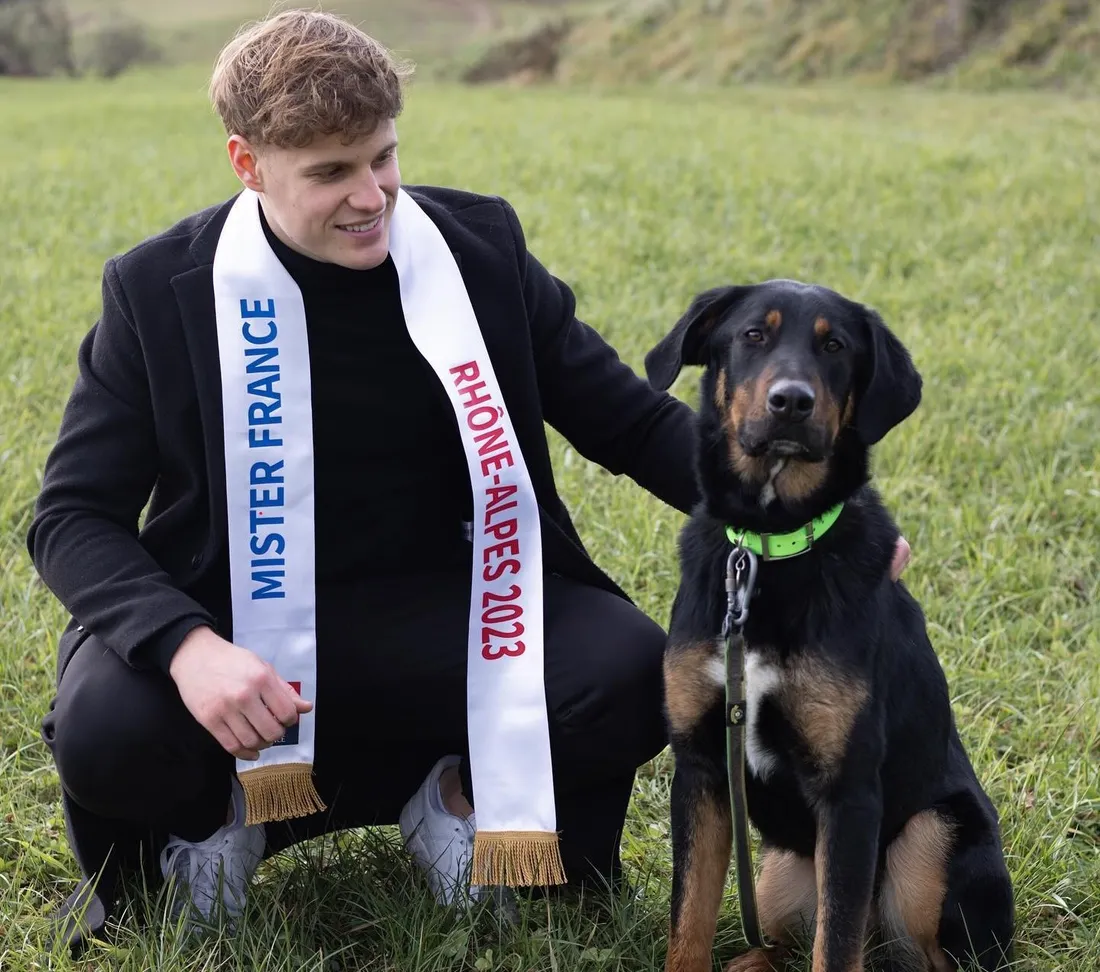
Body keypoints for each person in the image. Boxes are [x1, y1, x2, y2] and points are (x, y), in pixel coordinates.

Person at [28, 8, 911, 952]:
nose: (371, 196)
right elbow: (71, 515)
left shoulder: (478, 250)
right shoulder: (157, 291)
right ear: (247, 163)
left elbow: (628, 420)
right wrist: (186, 645)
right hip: (236, 623)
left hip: (453, 610)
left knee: (621, 670)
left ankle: (451, 795)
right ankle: (219, 820)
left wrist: (836, 528)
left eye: (384, 158)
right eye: (330, 173)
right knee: (107, 726)